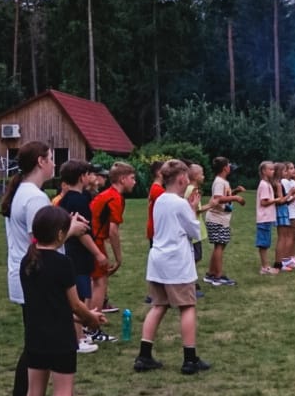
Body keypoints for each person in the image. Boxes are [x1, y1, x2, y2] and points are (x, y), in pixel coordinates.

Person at [7, 204, 104, 396]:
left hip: (35, 338)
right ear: (61, 234)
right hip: (60, 340)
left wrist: (82, 316)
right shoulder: (62, 264)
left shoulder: (28, 261)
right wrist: (91, 318)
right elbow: (74, 304)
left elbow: (52, 305)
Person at [134, 159, 209, 376]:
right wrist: (193, 209)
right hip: (176, 262)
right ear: (182, 179)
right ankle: (190, 359)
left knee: (158, 305)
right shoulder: (180, 204)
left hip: (158, 260)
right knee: (187, 306)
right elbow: (194, 232)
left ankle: (144, 355)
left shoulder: (160, 200)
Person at [2, 141, 55, 396]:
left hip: (26, 277)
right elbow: (42, 244)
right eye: (51, 158)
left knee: (35, 345)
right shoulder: (34, 197)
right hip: (34, 278)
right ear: (40, 161)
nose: (54, 164)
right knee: (38, 348)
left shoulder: (23, 192)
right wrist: (70, 231)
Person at [53, 161, 105, 354]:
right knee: (80, 297)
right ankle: (79, 339)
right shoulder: (80, 200)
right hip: (78, 254)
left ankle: (77, 335)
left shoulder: (64, 199)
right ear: (82, 177)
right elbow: (82, 232)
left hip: (69, 251)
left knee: (77, 294)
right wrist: (98, 253)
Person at [87, 162, 131, 314]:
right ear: (122, 179)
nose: (135, 182)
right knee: (100, 282)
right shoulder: (114, 198)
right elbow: (113, 231)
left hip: (91, 238)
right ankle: (93, 322)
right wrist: (118, 259)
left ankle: (87, 319)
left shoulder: (107, 194)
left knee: (95, 279)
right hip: (95, 240)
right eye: (132, 178)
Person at [204, 156, 239, 286]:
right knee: (219, 245)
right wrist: (236, 198)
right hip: (216, 219)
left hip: (221, 219)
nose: (230, 167)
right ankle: (218, 276)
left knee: (220, 245)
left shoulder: (222, 181)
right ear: (225, 168)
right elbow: (218, 198)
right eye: (229, 165)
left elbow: (224, 196)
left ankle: (211, 273)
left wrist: (235, 191)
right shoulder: (219, 182)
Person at [254, 161, 281, 276]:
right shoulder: (264, 185)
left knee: (266, 243)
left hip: (267, 218)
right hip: (264, 218)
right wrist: (276, 200)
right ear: (264, 171)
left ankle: (266, 266)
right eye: (270, 169)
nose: (273, 171)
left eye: (273, 169)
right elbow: (264, 202)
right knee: (263, 244)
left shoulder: (267, 183)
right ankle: (265, 267)